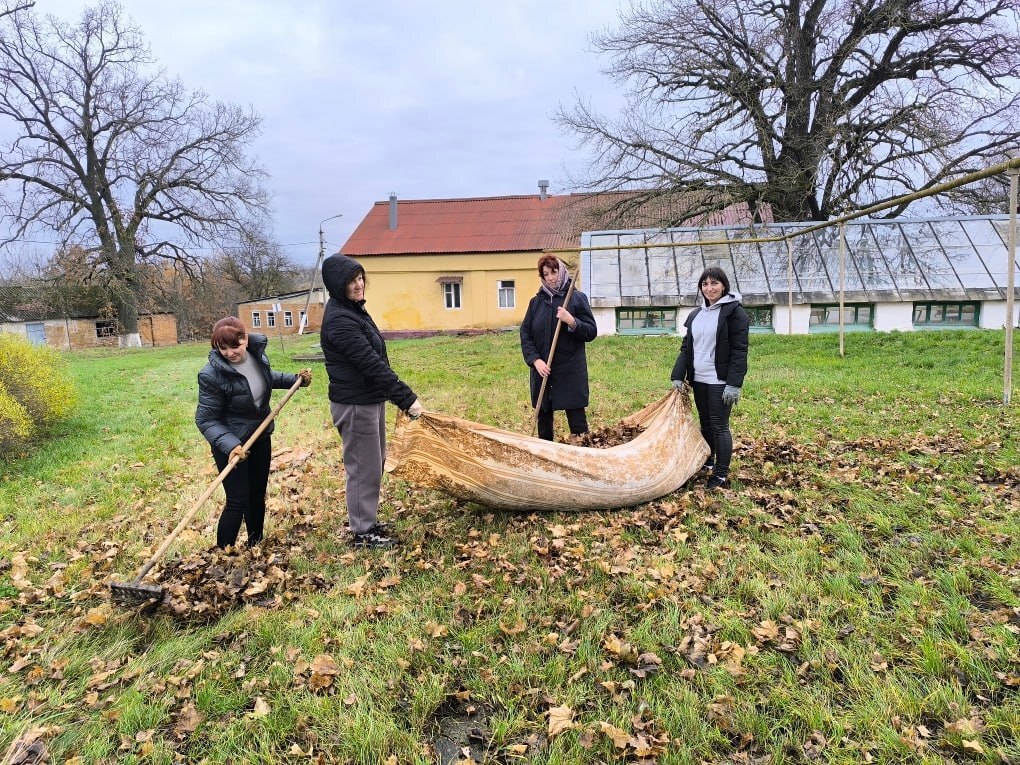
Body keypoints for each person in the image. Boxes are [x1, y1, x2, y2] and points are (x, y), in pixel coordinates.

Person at [320, 254, 423, 549]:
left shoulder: (353, 310)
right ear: (338, 285)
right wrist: (406, 398)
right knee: (362, 468)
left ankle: (367, 520)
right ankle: (362, 532)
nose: (359, 284)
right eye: (351, 281)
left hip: (369, 400)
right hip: (355, 405)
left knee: (374, 464)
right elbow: (370, 364)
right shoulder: (340, 320)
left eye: (360, 278)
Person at [195, 316, 311, 548]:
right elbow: (205, 419)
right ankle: (223, 552)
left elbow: (264, 379)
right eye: (223, 348)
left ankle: (255, 544)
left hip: (259, 436)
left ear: (245, 339)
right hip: (231, 445)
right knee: (237, 499)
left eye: (234, 346)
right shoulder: (211, 375)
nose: (230, 353)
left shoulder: (257, 356)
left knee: (257, 494)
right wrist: (231, 445)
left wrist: (295, 380)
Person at [671, 267, 749, 490]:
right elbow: (687, 348)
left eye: (714, 283)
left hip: (720, 381)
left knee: (719, 426)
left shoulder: (734, 313)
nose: (709, 288)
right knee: (705, 423)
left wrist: (734, 384)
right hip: (699, 379)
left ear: (724, 286)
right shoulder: (696, 314)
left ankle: (721, 474)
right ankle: (708, 461)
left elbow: (740, 351)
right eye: (705, 284)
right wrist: (678, 375)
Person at [520, 255, 598, 441]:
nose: (550, 278)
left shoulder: (576, 298)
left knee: (577, 422)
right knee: (544, 418)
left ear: (561, 272)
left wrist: (571, 320)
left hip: (570, 369)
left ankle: (583, 452)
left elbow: (591, 331)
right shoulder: (536, 302)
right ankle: (545, 453)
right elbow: (525, 334)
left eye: (554, 272)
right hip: (543, 370)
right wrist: (535, 360)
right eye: (546, 274)